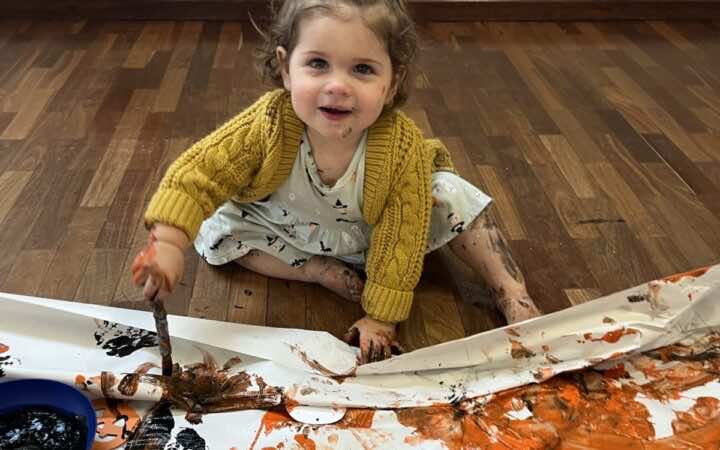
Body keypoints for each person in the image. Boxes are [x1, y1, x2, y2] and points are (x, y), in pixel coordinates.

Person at [131, 0, 541, 364]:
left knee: (451, 197)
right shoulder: (268, 124)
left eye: (362, 69)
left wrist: (381, 316)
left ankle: (511, 290)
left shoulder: (401, 148)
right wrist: (167, 243)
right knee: (216, 228)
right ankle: (314, 270)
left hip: (372, 235)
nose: (337, 85)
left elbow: (402, 233)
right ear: (286, 67)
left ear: (391, 83)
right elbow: (198, 174)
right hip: (287, 226)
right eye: (317, 64)